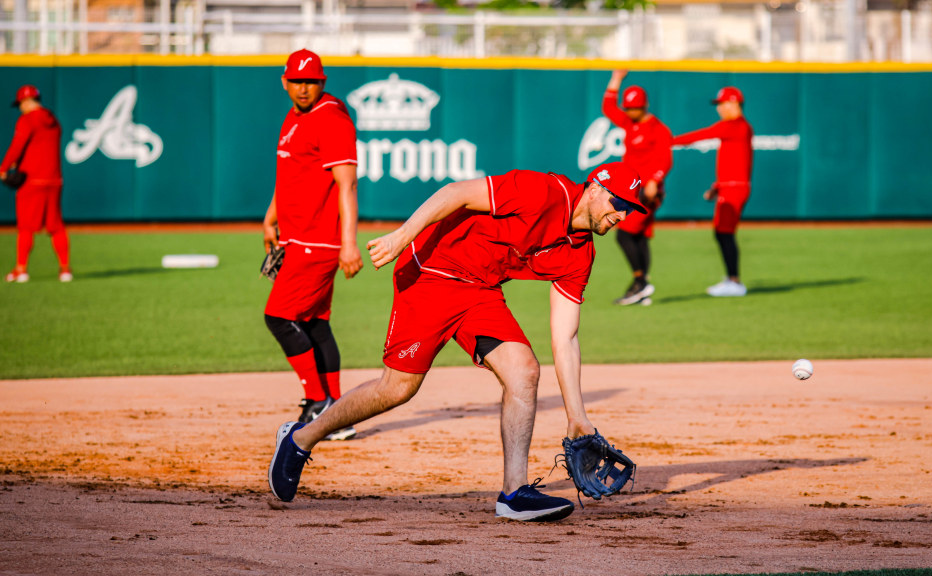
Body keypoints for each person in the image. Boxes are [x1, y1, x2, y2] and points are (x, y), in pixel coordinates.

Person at [268, 161, 647, 522]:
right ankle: (301, 439)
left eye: (630, 210)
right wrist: (403, 236)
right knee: (398, 388)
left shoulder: (579, 254)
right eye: (619, 203)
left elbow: (565, 336)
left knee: (524, 371)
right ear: (595, 187)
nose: (623, 215)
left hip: (480, 290)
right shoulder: (543, 192)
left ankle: (514, 494)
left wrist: (577, 417)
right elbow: (457, 193)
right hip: (430, 272)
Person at [262, 49, 363, 440]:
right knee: (314, 322)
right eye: (297, 81)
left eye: (312, 81)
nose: (304, 88)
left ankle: (319, 401)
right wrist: (272, 216)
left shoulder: (331, 119)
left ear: (322, 82)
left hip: (317, 241)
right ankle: (336, 411)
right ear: (285, 82)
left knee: (280, 317)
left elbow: (347, 184)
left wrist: (348, 243)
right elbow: (289, 173)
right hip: (296, 235)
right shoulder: (294, 116)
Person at [671, 86, 754, 297]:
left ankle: (734, 282)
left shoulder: (735, 126)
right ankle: (731, 279)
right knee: (721, 232)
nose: (719, 109)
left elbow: (701, 135)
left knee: (724, 233)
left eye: (722, 104)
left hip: (735, 189)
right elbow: (735, 163)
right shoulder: (738, 128)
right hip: (730, 186)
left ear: (734, 103)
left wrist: (668, 142)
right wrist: (716, 188)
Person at [602, 70, 674, 306]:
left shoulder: (658, 129)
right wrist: (616, 80)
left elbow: (666, 159)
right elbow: (608, 108)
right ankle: (642, 285)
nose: (631, 112)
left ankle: (639, 282)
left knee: (624, 235)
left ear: (645, 106)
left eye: (635, 108)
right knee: (639, 237)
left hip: (648, 191)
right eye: (628, 108)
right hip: (633, 188)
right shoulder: (629, 122)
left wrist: (655, 180)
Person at [1, 85, 70, 283]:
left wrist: (3, 168)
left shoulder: (27, 120)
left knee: (25, 227)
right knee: (56, 226)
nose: (20, 108)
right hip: (54, 179)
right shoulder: (53, 120)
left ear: (26, 101)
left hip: (31, 180)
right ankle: (65, 270)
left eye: (20, 104)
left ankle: (21, 269)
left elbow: (17, 146)